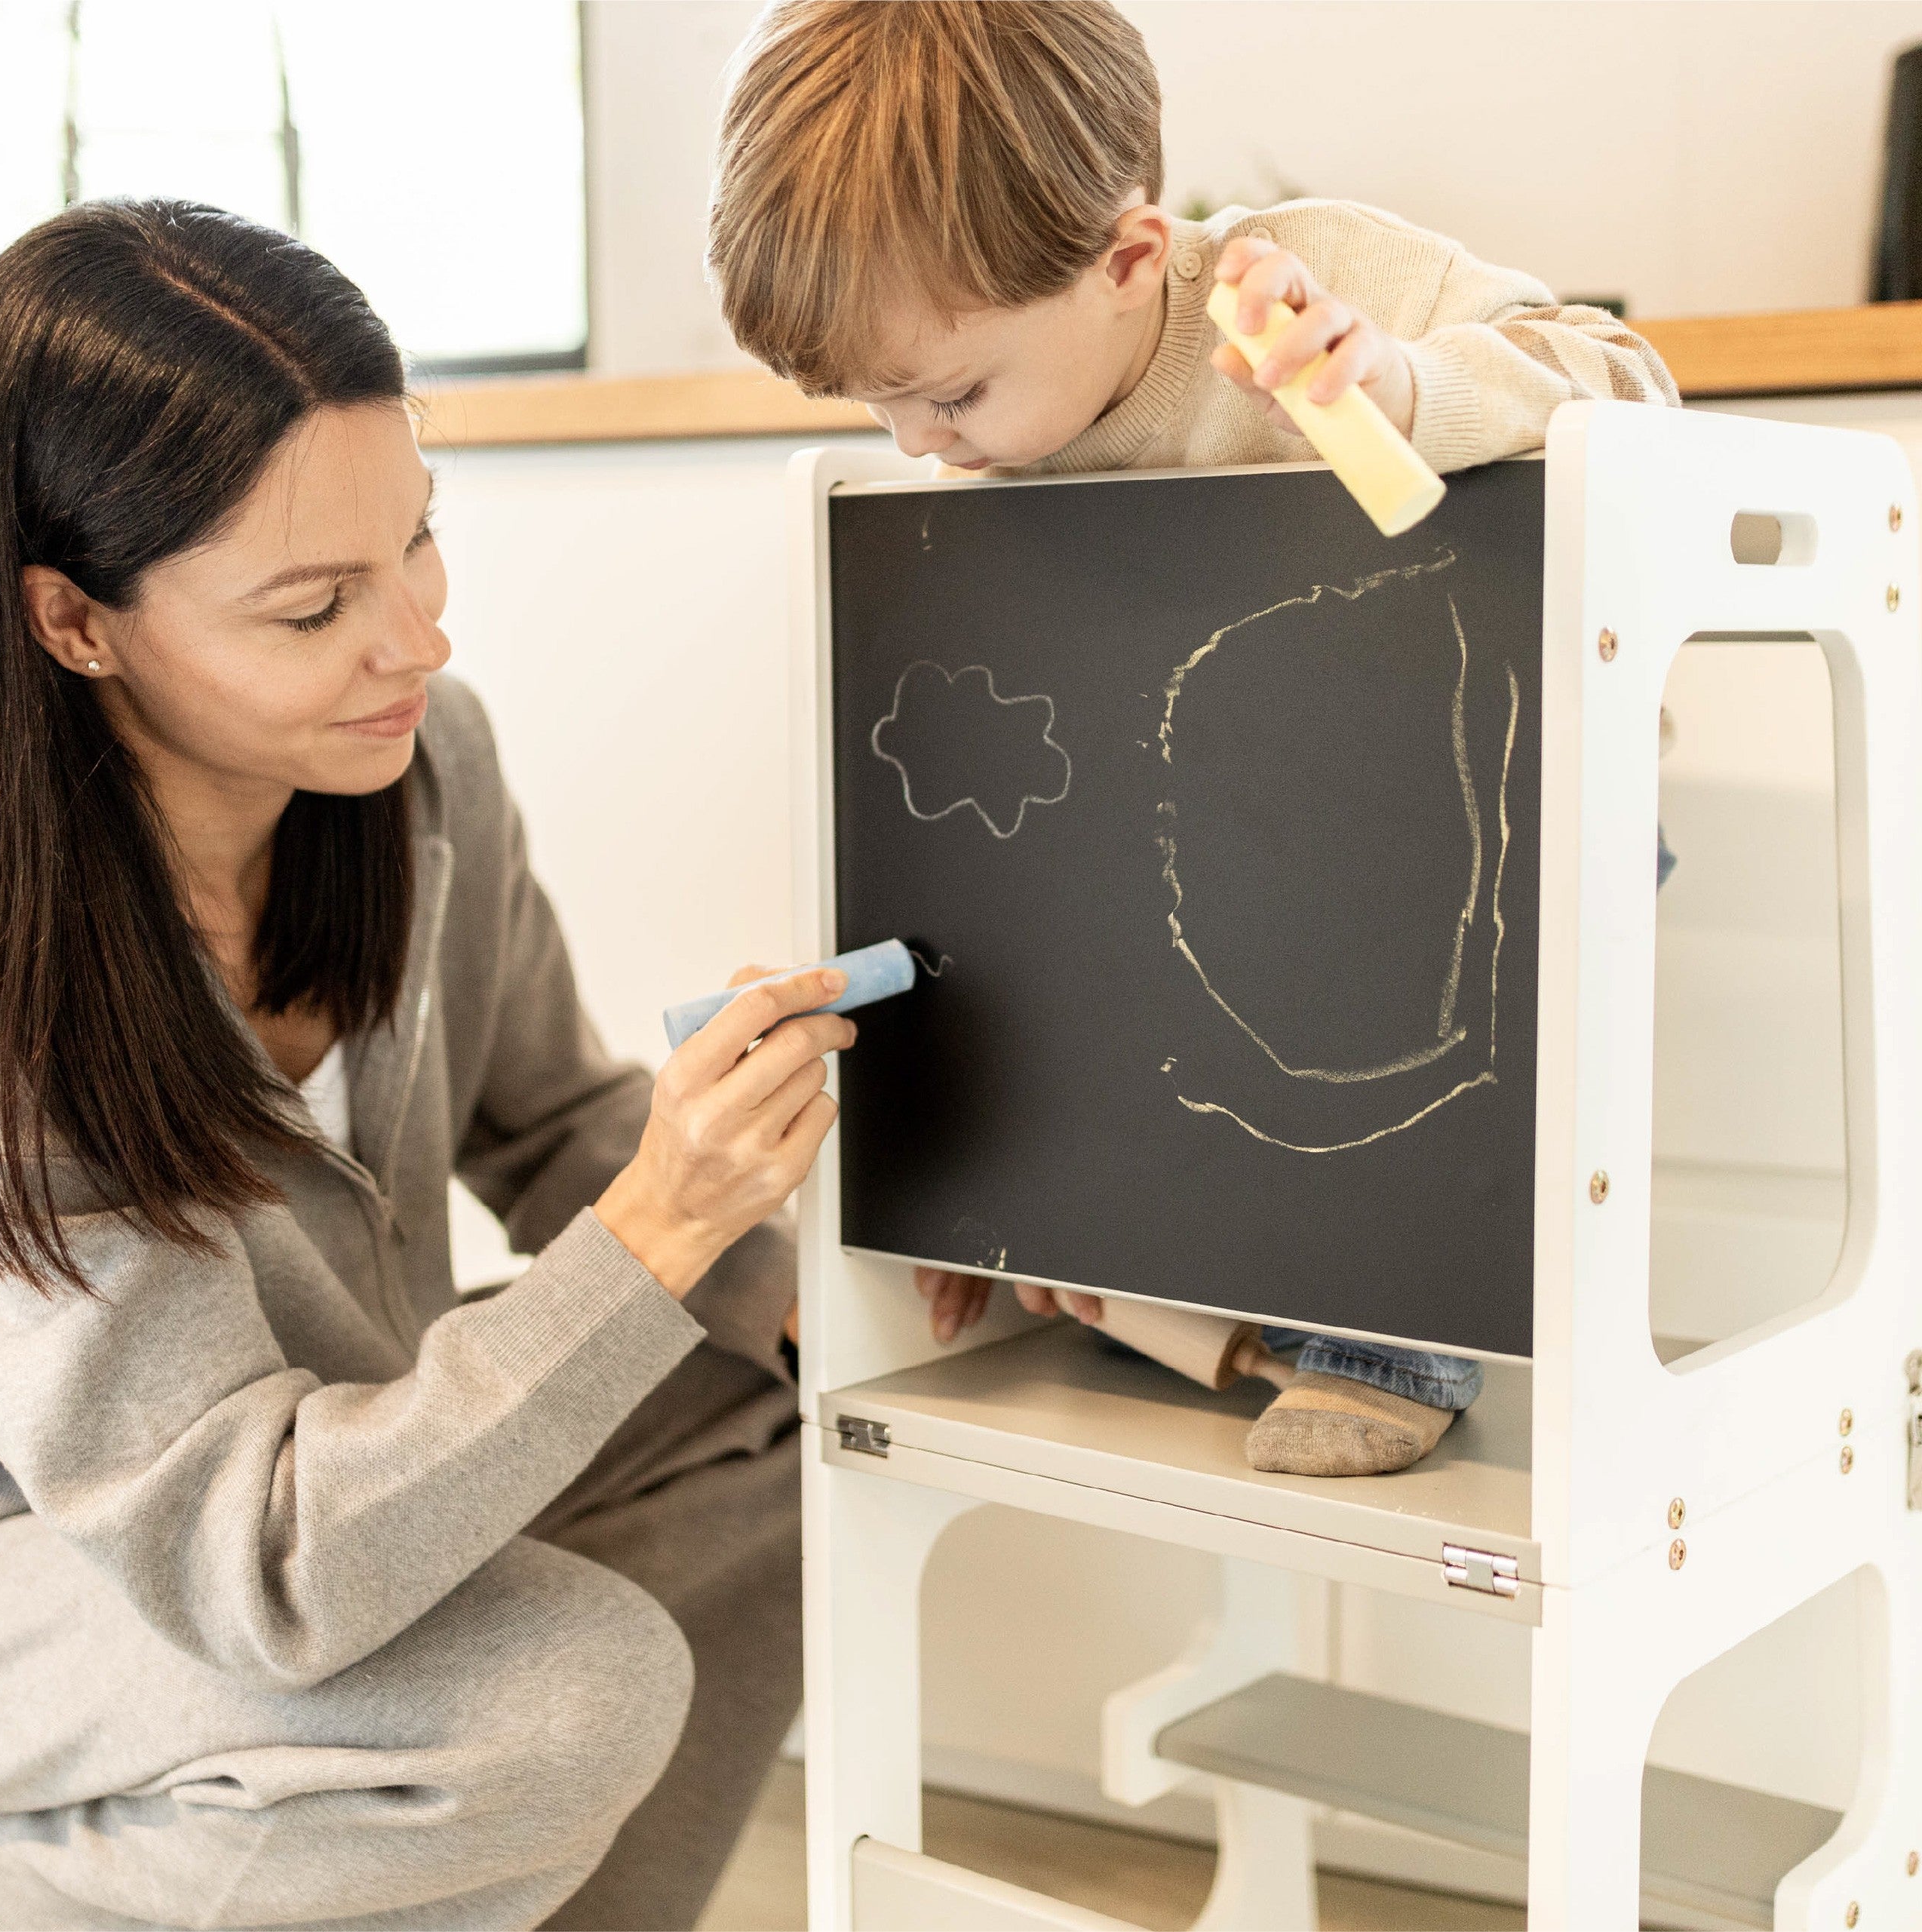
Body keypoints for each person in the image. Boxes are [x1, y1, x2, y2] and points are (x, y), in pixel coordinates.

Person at [0, 199, 848, 1930]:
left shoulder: (414, 768)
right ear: (76, 624)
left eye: (420, 545)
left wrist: (785, 1272)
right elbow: (259, 1569)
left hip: (311, 1505)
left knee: (790, 1426)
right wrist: (658, 1236)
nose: (416, 641)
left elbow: (549, 1120)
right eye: (313, 608)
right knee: (555, 1689)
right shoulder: (23, 970)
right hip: (83, 1580)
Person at [705, 0, 1679, 1478]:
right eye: (877, 402)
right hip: (1226, 828)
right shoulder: (987, 438)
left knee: (1323, 949)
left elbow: (1628, 385)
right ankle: (1144, 1278)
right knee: (1066, 991)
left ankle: (1378, 1324)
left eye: (950, 391)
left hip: (1500, 814)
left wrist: (1397, 387)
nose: (918, 441)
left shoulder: (1301, 287)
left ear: (1128, 260)